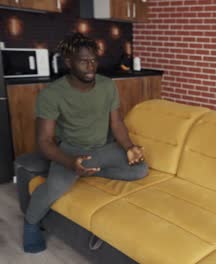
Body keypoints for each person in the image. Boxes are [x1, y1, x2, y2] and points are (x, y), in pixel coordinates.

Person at [23, 33, 148, 253]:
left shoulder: (107, 85)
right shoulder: (52, 94)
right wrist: (70, 163)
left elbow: (117, 123)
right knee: (54, 188)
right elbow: (44, 141)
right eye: (83, 61)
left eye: (93, 60)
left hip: (103, 147)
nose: (91, 67)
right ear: (69, 62)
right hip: (70, 150)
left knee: (140, 169)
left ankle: (89, 169)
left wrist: (130, 147)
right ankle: (31, 223)